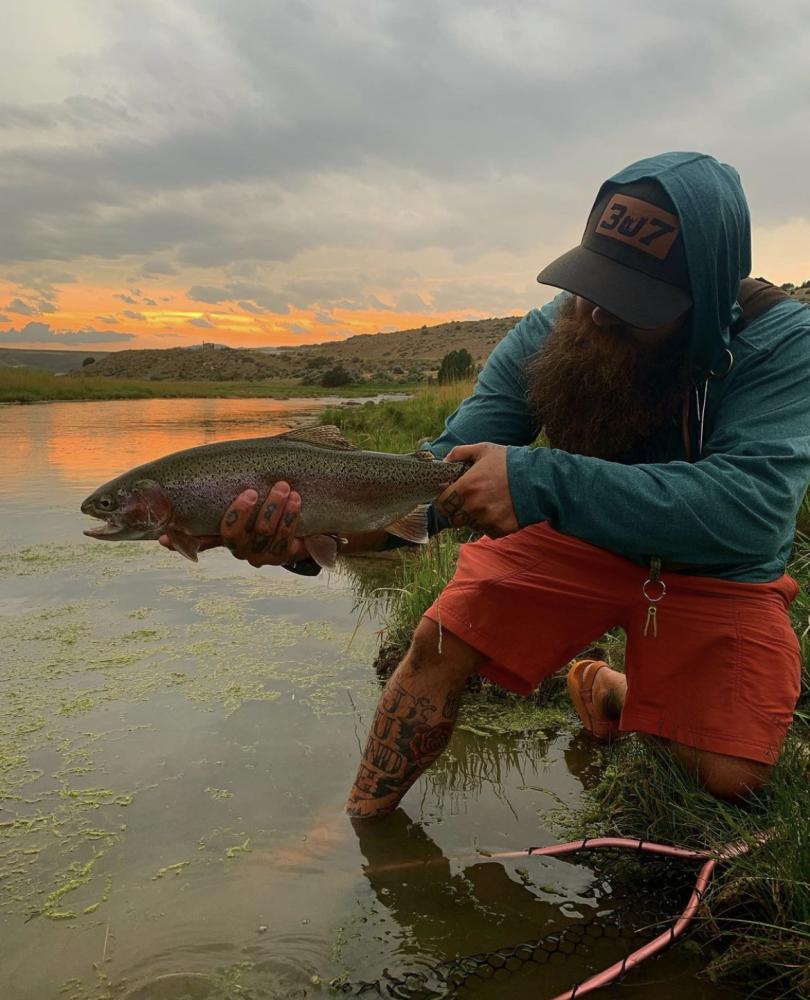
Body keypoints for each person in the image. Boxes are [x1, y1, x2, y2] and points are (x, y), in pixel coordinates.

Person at [164, 151, 810, 819]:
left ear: (706, 299)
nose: (592, 316)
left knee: (732, 776)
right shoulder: (553, 331)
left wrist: (537, 477)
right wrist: (310, 536)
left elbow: (752, 513)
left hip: (717, 562)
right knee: (439, 642)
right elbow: (435, 476)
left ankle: (610, 690)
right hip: (580, 534)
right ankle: (363, 827)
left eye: (631, 302)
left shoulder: (784, 346)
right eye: (593, 284)